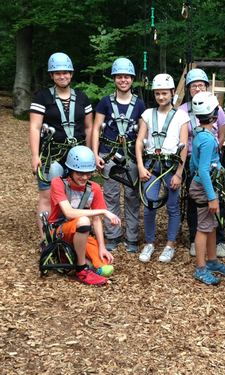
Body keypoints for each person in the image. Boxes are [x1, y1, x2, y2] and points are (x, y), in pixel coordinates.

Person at [29, 52, 93, 238]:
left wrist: (90, 153)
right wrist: (35, 156)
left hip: (78, 158)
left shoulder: (82, 98)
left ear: (71, 74)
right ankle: (46, 239)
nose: (62, 76)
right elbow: (35, 127)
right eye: (57, 73)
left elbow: (89, 128)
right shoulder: (42, 97)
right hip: (52, 155)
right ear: (51, 75)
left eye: (65, 72)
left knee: (76, 196)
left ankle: (71, 235)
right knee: (48, 197)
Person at [91, 57, 145, 253]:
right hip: (109, 154)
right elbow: (96, 128)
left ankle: (131, 237)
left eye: (127, 77)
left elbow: (143, 131)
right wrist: (95, 153)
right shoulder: (105, 102)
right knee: (111, 196)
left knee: (132, 196)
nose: (124, 80)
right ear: (115, 79)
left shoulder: (139, 104)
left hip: (130, 155)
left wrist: (141, 159)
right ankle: (113, 234)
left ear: (132, 79)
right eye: (120, 77)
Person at [48, 145, 120, 285]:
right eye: (80, 173)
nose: (85, 177)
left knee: (106, 268)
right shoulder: (58, 183)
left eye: (88, 173)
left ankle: (73, 259)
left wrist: (102, 246)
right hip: (60, 230)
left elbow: (97, 220)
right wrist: (103, 211)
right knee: (83, 220)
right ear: (70, 170)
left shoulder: (94, 188)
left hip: (82, 233)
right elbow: (69, 212)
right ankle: (81, 269)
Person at [136, 73, 189, 263]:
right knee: (149, 204)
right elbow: (139, 141)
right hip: (152, 164)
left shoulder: (181, 116)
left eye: (164, 94)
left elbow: (184, 145)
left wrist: (179, 174)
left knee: (173, 206)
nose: (161, 97)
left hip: (171, 165)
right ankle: (149, 242)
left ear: (172, 93)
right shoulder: (148, 114)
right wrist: (141, 166)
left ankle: (170, 244)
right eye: (158, 94)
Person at [178, 68, 225, 257]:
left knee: (212, 215)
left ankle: (215, 250)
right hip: (200, 167)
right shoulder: (186, 114)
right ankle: (200, 256)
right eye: (194, 85)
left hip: (205, 163)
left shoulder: (201, 131)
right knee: (203, 215)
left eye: (201, 85)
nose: (198, 88)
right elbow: (201, 168)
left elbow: (222, 130)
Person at [189, 91, 225, 285]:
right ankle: (201, 268)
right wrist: (212, 197)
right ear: (214, 114)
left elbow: (197, 164)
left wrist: (224, 171)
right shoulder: (208, 140)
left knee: (212, 226)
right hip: (204, 188)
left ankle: (212, 261)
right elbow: (202, 169)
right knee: (203, 228)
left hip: (204, 184)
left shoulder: (200, 134)